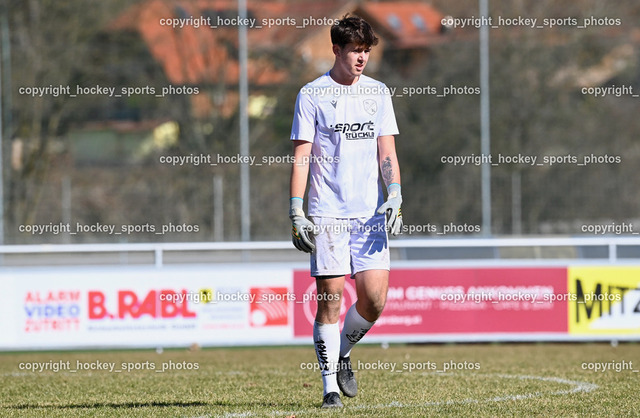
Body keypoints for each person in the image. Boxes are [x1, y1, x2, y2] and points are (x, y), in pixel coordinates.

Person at [288, 14, 403, 408]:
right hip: (327, 214)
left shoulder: (378, 92)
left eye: (366, 51)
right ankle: (329, 389)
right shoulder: (311, 95)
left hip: (370, 215)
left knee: (374, 300)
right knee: (331, 301)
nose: (361, 58)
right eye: (355, 50)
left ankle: (343, 354)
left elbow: (386, 150)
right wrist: (296, 210)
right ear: (335, 49)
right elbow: (302, 156)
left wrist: (396, 193)